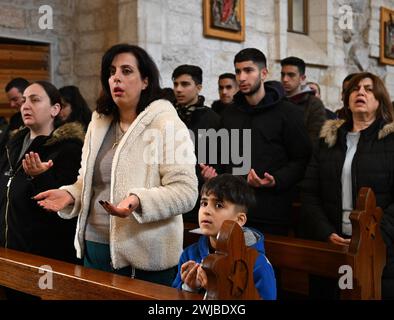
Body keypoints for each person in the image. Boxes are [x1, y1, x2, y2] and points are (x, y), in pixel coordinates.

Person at [34, 44, 198, 286]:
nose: (116, 78)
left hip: (142, 258)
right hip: (93, 248)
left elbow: (186, 192)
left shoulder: (166, 124)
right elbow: (86, 180)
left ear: (145, 81)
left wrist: (139, 201)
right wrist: (70, 194)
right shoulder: (98, 123)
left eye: (127, 71)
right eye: (111, 72)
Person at [300, 72, 394, 299]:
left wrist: (373, 236)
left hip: (381, 247)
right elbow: (310, 193)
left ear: (380, 99)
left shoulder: (391, 141)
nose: (360, 92)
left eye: (368, 89)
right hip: (334, 242)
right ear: (346, 99)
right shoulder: (328, 140)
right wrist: (326, 232)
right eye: (354, 89)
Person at [214, 48, 312, 236]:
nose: (241, 77)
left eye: (248, 71)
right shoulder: (229, 114)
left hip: (272, 211)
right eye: (238, 71)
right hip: (232, 210)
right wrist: (213, 173)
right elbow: (222, 158)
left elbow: (302, 159)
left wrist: (276, 180)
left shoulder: (288, 113)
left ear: (263, 73)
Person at [0, 81, 84, 263]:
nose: (26, 106)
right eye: (23, 101)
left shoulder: (69, 149)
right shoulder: (11, 146)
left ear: (55, 109)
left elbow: (65, 209)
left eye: (35, 100)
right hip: (8, 251)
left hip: (43, 257)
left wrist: (39, 176)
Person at [172, 173, 277, 300]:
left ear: (239, 219)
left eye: (218, 205)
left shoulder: (257, 262)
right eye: (204, 203)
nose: (206, 211)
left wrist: (217, 290)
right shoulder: (189, 255)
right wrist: (190, 287)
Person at [172, 64, 220, 223]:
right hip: (170, 193)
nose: (178, 89)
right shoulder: (168, 115)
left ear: (198, 87)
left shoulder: (212, 119)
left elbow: (216, 160)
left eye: (185, 84)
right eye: (176, 84)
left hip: (198, 194)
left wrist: (211, 174)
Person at [280, 56, 327, 142]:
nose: (285, 79)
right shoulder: (275, 101)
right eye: (283, 74)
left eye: (291, 75)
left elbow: (315, 140)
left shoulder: (314, 104)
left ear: (302, 78)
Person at [0, 78, 30, 152]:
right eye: (10, 101)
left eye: (15, 99)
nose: (12, 105)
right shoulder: (15, 119)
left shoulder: (40, 115)